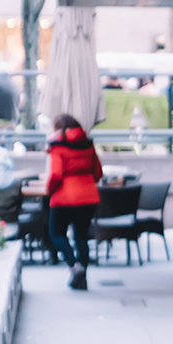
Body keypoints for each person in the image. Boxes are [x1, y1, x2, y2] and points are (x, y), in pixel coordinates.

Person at [46, 114, 102, 291]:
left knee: (56, 233)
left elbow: (55, 175)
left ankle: (74, 266)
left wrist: (49, 189)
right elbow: (98, 172)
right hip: (89, 197)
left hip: (64, 198)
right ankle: (82, 277)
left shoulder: (57, 147)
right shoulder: (88, 144)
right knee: (81, 236)